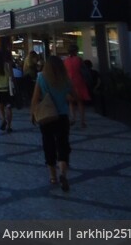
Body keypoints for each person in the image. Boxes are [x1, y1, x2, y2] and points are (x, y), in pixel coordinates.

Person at [30, 55, 76, 191]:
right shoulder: (66, 79)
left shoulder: (41, 78)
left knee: (48, 144)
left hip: (47, 116)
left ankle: (53, 176)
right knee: (63, 145)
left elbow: (35, 98)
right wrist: (66, 96)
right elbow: (75, 97)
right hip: (62, 116)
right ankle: (63, 172)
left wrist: (32, 113)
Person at [63, 43, 91, 128]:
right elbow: (84, 71)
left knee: (71, 102)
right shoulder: (79, 59)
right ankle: (82, 121)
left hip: (69, 82)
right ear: (76, 51)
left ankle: (73, 118)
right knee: (80, 102)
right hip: (78, 82)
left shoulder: (66, 60)